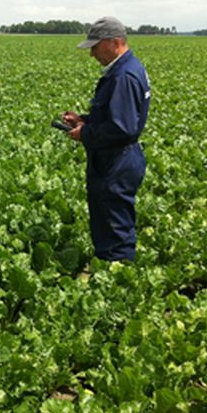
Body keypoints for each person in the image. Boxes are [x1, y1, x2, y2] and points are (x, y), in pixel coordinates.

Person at [62, 16, 151, 261]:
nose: (92, 54)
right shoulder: (128, 68)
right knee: (109, 222)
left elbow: (122, 129)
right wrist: (85, 120)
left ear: (114, 42)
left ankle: (117, 282)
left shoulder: (123, 76)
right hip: (118, 158)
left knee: (114, 229)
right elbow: (117, 118)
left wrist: (85, 133)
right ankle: (111, 270)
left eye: (95, 46)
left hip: (116, 162)